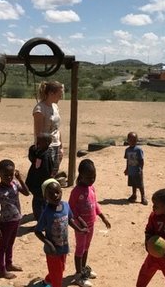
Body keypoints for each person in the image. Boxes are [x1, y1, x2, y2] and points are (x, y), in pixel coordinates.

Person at [34, 178, 87, 287]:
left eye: (57, 192)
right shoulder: (46, 213)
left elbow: (70, 220)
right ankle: (52, 281)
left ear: (61, 192)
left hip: (63, 247)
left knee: (60, 269)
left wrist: (79, 229)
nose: (55, 195)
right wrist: (49, 244)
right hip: (52, 252)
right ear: (45, 197)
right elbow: (37, 231)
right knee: (58, 278)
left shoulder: (65, 206)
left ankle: (48, 280)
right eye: (51, 194)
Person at [69, 159, 111, 287]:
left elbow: (94, 204)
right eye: (88, 177)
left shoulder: (91, 188)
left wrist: (103, 217)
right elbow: (71, 209)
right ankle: (78, 275)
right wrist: (81, 222)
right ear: (81, 176)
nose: (92, 179)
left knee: (86, 247)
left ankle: (83, 269)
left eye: (94, 177)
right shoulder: (76, 191)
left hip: (91, 225)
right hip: (81, 228)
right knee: (80, 249)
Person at [0, 159, 30, 279]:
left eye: (11, 174)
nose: (9, 177)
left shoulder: (14, 184)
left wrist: (20, 179)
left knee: (11, 243)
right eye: (5, 175)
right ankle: (1, 270)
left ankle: (9, 264)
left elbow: (27, 193)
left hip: (17, 219)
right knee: (2, 246)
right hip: (5, 222)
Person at [33, 81, 64, 176]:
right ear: (51, 93)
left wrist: (61, 146)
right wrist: (42, 151)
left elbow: (57, 128)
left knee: (54, 172)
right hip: (46, 147)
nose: (61, 97)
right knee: (45, 173)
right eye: (59, 94)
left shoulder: (55, 107)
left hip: (56, 144)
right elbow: (39, 133)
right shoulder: (40, 109)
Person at [25, 133, 54, 222]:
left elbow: (44, 172)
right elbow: (33, 159)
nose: (37, 144)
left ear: (46, 143)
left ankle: (41, 223)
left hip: (40, 187)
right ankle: (42, 220)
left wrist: (41, 186)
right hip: (40, 187)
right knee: (41, 203)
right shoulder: (41, 153)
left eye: (39, 142)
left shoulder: (44, 156)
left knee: (38, 205)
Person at [124, 132, 148, 205]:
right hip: (131, 170)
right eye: (130, 140)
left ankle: (143, 197)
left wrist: (141, 169)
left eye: (134, 140)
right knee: (133, 184)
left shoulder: (138, 150)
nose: (132, 142)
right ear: (127, 140)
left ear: (137, 140)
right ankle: (134, 195)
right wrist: (127, 169)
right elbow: (127, 160)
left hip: (137, 170)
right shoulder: (127, 150)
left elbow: (141, 160)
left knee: (140, 184)